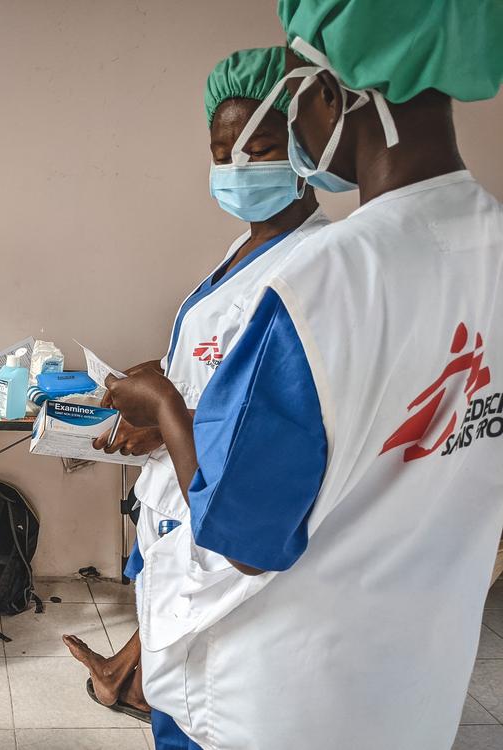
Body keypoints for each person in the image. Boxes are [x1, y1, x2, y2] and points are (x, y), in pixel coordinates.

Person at [104, 1, 503, 747]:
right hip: (413, 691)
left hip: (273, 697)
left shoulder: (323, 282)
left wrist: (161, 402)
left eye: (289, 102)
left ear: (330, 93)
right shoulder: (490, 249)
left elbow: (240, 533)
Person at [60, 46, 330, 741]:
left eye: (262, 148)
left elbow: (267, 425)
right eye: (222, 151)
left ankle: (136, 682)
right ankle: (129, 678)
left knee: (198, 711)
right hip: (174, 512)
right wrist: (151, 394)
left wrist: (166, 413)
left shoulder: (311, 272)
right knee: (174, 692)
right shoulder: (244, 248)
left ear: (305, 144)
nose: (239, 169)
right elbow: (213, 372)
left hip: (220, 532)